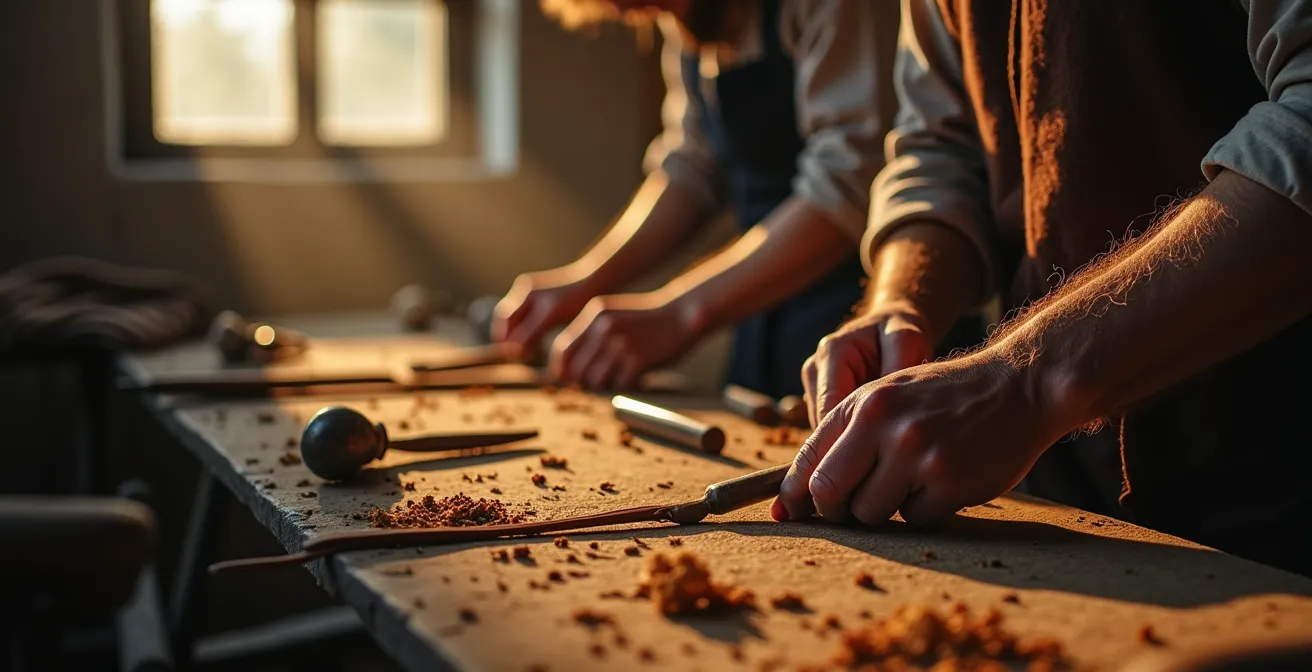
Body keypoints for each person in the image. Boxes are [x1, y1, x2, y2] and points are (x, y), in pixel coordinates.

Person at [775, 0, 1312, 577]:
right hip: (1060, 492)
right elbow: (941, 152)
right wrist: (900, 301)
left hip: (1279, 480)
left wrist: (1028, 380)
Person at [492, 0, 900, 397]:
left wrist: (680, 313)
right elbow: (694, 168)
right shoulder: (685, 16)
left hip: (865, 329)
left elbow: (849, 184)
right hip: (761, 328)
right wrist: (584, 281)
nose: (619, 9)